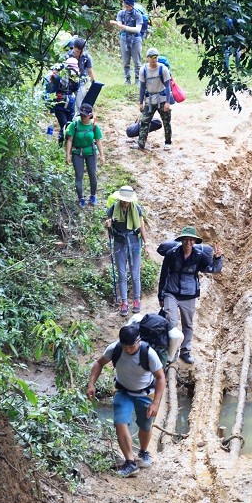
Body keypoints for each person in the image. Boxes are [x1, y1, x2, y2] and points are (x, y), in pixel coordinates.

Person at [87, 324, 166, 478]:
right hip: (123, 391)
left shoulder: (148, 353)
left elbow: (160, 377)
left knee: (145, 425)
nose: (128, 350)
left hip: (145, 393)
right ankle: (130, 462)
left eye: (131, 347)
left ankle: (143, 451)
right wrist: (91, 383)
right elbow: (99, 363)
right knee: (120, 422)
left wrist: (155, 402)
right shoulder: (115, 349)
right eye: (125, 347)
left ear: (139, 341)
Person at [157, 225, 224, 364]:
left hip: (189, 295)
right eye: (185, 240)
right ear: (181, 240)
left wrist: (218, 258)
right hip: (171, 292)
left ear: (195, 242)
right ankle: (170, 350)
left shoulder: (199, 256)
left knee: (187, 324)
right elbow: (164, 275)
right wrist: (161, 295)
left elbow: (213, 269)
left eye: (191, 240)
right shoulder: (171, 254)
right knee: (171, 321)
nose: (188, 243)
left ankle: (185, 351)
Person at [105, 186, 148, 316]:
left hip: (134, 242)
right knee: (122, 274)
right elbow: (107, 222)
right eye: (123, 200)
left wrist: (146, 242)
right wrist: (107, 224)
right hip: (119, 243)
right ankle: (124, 302)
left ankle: (136, 300)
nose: (125, 202)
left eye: (127, 200)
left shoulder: (137, 208)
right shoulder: (114, 208)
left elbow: (141, 226)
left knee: (135, 273)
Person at [65, 103, 105, 207]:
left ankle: (93, 195)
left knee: (93, 174)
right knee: (79, 175)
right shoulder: (75, 125)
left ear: (90, 115)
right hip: (77, 153)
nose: (82, 117)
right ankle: (81, 198)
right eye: (81, 115)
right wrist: (68, 155)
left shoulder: (94, 126)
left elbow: (98, 140)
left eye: (85, 115)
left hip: (91, 152)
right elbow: (69, 140)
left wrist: (102, 155)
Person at [137, 47, 173, 151]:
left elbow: (168, 86)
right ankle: (141, 144)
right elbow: (142, 87)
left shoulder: (163, 69)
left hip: (162, 99)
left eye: (156, 57)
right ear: (147, 58)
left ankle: (168, 142)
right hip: (150, 100)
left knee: (166, 121)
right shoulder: (143, 70)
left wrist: (167, 102)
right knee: (144, 122)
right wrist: (141, 102)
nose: (154, 59)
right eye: (152, 57)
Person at [110, 0, 144, 85]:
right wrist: (119, 24)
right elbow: (119, 23)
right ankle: (127, 80)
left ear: (131, 5)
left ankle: (137, 80)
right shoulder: (121, 13)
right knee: (126, 61)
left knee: (137, 62)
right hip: (124, 38)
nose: (126, 7)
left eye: (128, 5)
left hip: (136, 39)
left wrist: (124, 27)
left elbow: (138, 30)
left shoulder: (138, 15)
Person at [45, 63, 76, 143]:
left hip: (70, 105)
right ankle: (61, 143)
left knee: (68, 125)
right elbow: (49, 91)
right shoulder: (57, 78)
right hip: (59, 105)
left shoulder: (75, 79)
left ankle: (62, 143)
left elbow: (75, 88)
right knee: (64, 126)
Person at [67, 38, 95, 109]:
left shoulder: (87, 58)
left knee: (79, 103)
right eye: (77, 51)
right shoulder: (67, 56)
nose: (79, 54)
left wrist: (93, 84)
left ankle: (79, 117)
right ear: (73, 48)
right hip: (68, 82)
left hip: (81, 82)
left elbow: (90, 71)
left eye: (81, 52)